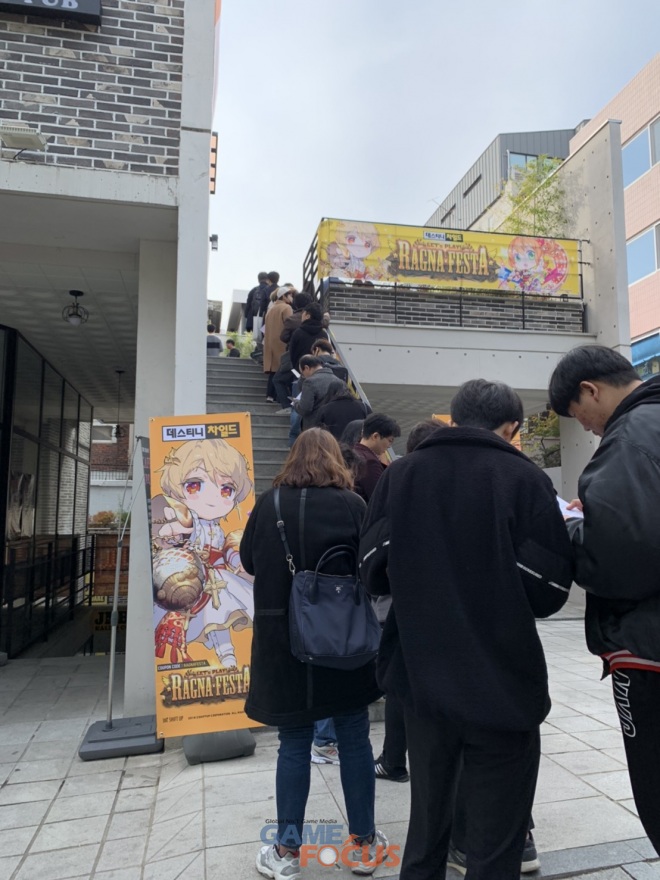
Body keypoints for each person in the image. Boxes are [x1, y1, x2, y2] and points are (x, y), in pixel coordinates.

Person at [359, 379, 574, 880]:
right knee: (496, 846)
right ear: (511, 427)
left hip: (422, 680)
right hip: (504, 683)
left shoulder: (401, 474)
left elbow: (371, 569)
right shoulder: (524, 478)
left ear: (454, 418)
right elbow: (549, 591)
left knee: (426, 831)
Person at [239, 428, 387, 880]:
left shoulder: (269, 504)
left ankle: (286, 852)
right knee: (355, 737)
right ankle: (363, 845)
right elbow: (371, 565)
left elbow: (248, 560)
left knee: (294, 742)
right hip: (342, 639)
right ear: (335, 459)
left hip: (284, 642)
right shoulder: (353, 505)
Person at [548, 344, 660, 856]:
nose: (588, 428)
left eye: (580, 415)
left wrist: (574, 528)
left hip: (647, 646)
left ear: (590, 390)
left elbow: (618, 557)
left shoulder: (630, 437)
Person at [372, 420, 446, 785]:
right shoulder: (464, 479)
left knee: (400, 683)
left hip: (405, 602)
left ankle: (393, 759)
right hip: (452, 607)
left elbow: (374, 546)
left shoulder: (397, 478)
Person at [353, 413, 401, 501]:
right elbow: (380, 498)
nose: (389, 446)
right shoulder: (370, 462)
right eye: (390, 441)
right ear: (375, 436)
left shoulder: (353, 453)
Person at [294, 355, 345, 430]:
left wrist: (296, 403)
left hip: (314, 427)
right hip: (334, 425)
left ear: (307, 368)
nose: (303, 376)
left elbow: (305, 409)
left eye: (302, 373)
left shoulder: (309, 382)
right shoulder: (338, 380)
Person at [263, 287, 294, 402]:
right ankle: (280, 397)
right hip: (282, 343)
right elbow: (290, 325)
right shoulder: (286, 308)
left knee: (273, 370)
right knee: (282, 370)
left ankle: (270, 395)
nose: (291, 297)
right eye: (290, 295)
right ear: (284, 296)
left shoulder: (270, 309)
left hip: (270, 343)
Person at [288, 303, 328, 374]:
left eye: (303, 313)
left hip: (300, 372)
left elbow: (292, 355)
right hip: (318, 372)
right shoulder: (324, 334)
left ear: (307, 316)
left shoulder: (298, 333)